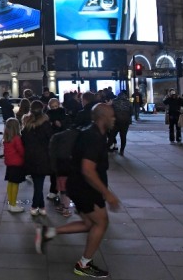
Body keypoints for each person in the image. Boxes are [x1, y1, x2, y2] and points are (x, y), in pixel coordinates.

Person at [35, 104, 121, 278]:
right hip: (85, 188)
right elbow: (88, 170)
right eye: (111, 115)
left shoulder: (94, 133)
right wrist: (108, 194)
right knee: (101, 223)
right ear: (102, 117)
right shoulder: (93, 137)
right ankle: (83, 264)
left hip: (78, 186)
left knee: (90, 224)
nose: (114, 119)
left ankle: (48, 232)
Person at [21, 100, 53, 216]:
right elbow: (51, 139)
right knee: (39, 182)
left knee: (37, 182)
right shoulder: (46, 124)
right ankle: (37, 206)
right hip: (43, 157)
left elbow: (23, 140)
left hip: (30, 156)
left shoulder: (26, 124)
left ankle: (39, 206)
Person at [3, 118, 25, 212]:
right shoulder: (17, 138)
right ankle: (13, 204)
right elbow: (21, 151)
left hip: (9, 164)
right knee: (15, 184)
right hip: (17, 164)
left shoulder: (6, 138)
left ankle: (10, 203)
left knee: (10, 183)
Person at [110, 91, 133, 156]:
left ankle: (107, 147)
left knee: (112, 135)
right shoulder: (129, 102)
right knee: (123, 136)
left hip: (116, 121)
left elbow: (110, 110)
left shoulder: (114, 101)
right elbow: (131, 112)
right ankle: (122, 150)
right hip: (125, 122)